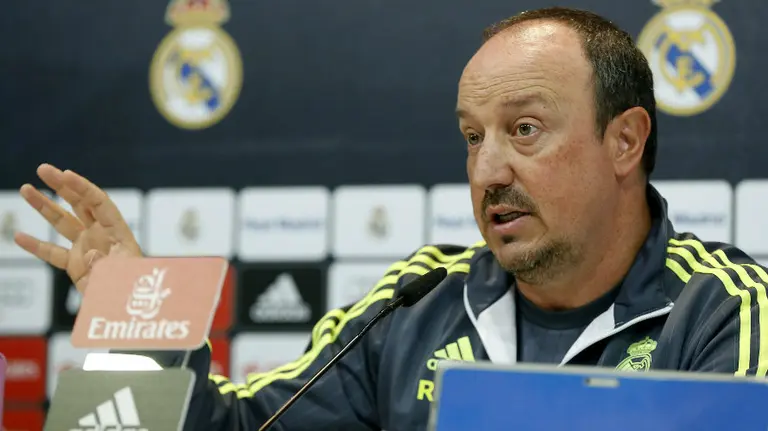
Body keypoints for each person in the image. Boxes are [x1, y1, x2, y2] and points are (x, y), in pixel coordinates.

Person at [14, 6, 768, 431]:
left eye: (525, 130)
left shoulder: (728, 310)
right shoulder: (416, 304)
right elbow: (242, 429)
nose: (487, 169)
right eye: (473, 137)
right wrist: (138, 312)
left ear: (624, 140)